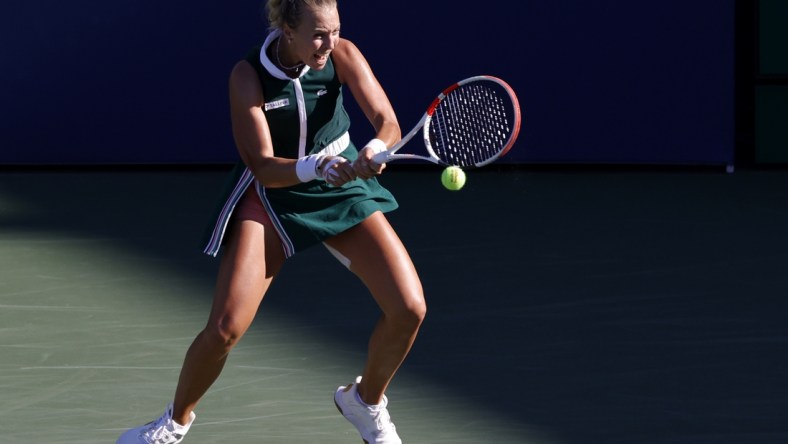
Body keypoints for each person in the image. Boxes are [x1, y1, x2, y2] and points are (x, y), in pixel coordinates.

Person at [116, 1, 426, 443]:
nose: (328, 43)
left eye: (335, 30)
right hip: (272, 193)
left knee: (409, 308)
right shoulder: (247, 77)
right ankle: (174, 421)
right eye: (318, 33)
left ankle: (365, 401)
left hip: (340, 187)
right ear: (286, 29)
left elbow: (388, 121)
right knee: (225, 329)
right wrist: (315, 167)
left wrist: (376, 147)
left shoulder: (342, 54)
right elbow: (263, 165)